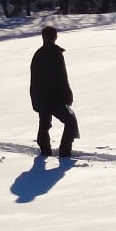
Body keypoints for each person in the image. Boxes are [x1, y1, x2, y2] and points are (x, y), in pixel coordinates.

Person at [29, 25, 79, 157]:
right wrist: (68, 96)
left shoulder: (38, 55)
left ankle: (45, 150)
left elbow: (34, 79)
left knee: (44, 124)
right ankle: (65, 151)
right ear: (55, 37)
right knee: (70, 122)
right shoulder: (55, 54)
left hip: (40, 97)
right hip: (54, 98)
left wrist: (34, 98)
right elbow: (61, 78)